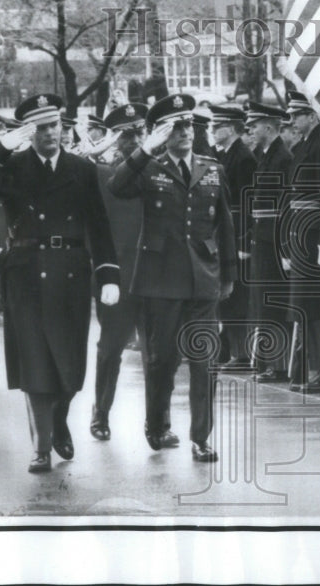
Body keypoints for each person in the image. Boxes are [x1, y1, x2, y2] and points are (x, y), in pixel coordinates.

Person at [0, 94, 121, 473]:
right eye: (41, 128)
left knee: (69, 369)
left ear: (62, 127)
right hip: (26, 272)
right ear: (28, 132)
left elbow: (99, 224)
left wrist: (108, 274)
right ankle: (41, 447)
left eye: (54, 125)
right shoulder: (12, 166)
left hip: (70, 271)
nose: (50, 133)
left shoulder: (81, 169)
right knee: (35, 363)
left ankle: (59, 417)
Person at [108, 94, 237, 463]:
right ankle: (158, 425)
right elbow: (117, 186)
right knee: (163, 359)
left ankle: (201, 438)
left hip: (203, 280)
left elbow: (224, 224)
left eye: (189, 125)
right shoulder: (148, 167)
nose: (186, 132)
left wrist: (228, 274)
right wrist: (145, 150)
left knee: (204, 360)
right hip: (161, 281)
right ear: (161, 133)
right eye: (176, 126)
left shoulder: (212, 168)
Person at [89, 103, 148, 441]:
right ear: (114, 138)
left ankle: (159, 422)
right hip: (115, 274)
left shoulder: (156, 168)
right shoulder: (99, 172)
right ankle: (101, 414)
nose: (133, 139)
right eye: (125, 133)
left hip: (153, 273)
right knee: (110, 348)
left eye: (137, 131)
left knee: (156, 353)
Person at [281, 90, 320, 394]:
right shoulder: (308, 144)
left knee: (316, 305)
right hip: (301, 233)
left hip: (313, 236)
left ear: (313, 116)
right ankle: (314, 366)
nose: (291, 121)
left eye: (297, 115)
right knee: (305, 305)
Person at [243, 103, 295, 383]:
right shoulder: (264, 156)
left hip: (273, 239)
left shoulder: (282, 158)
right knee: (261, 303)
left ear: (268, 126)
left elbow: (287, 206)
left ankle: (278, 363)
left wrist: (286, 247)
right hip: (261, 238)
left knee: (273, 302)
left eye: (253, 125)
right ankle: (265, 361)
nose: (249, 129)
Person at [209, 104, 258, 369]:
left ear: (232, 128)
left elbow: (246, 204)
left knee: (237, 297)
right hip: (225, 231)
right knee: (226, 297)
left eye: (219, 126)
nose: (214, 130)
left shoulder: (243, 157)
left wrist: (242, 240)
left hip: (238, 233)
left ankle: (241, 352)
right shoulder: (225, 155)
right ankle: (228, 348)